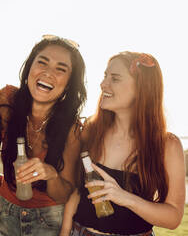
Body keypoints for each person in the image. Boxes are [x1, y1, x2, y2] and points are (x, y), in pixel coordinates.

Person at [61, 51, 185, 236]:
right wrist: (65, 230)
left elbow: (174, 217)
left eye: (115, 78)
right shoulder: (90, 130)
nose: (103, 84)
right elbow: (74, 190)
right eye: (105, 76)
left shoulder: (168, 145)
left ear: (141, 88)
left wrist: (125, 198)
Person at [0, 35, 87, 236]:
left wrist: (51, 174)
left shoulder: (72, 129)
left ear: (69, 83)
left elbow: (64, 194)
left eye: (61, 69)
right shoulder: (6, 101)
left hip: (48, 221)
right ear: (29, 70)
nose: (48, 73)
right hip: (3, 213)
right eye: (42, 62)